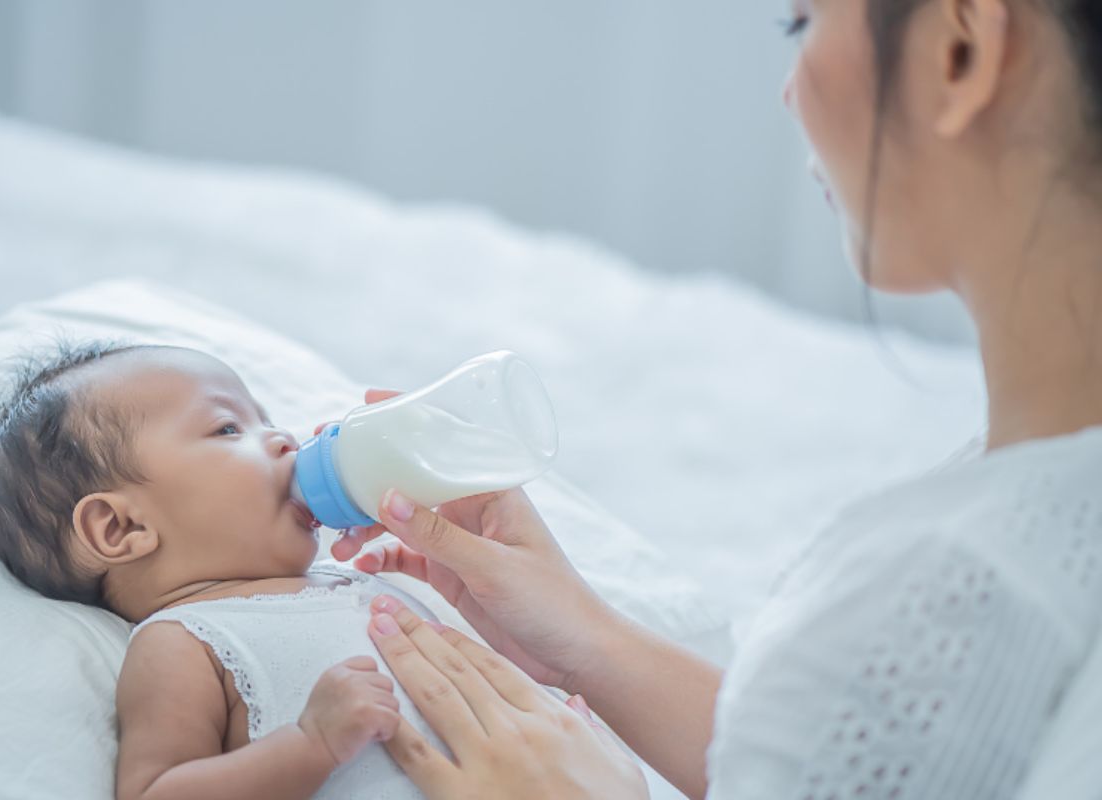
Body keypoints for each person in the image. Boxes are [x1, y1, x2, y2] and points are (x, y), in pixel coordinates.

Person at [332, 1, 1102, 797]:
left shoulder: (954, 582)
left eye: (800, 25)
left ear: (959, 51)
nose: (787, 93)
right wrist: (584, 636)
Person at [0, 342, 640, 799]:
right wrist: (310, 744)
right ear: (119, 528)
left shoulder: (372, 584)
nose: (286, 439)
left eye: (265, 417)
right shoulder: (184, 641)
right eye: (227, 429)